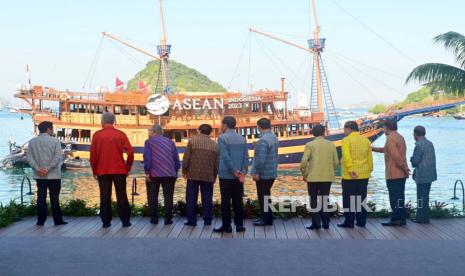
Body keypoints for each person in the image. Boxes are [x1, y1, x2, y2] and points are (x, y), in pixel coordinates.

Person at [90, 112, 134, 228]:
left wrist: (94, 170)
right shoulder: (120, 134)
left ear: (102, 121)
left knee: (104, 196)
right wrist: (127, 168)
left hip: (102, 170)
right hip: (119, 169)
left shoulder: (96, 135)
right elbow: (130, 153)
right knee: (122, 195)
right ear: (113, 121)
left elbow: (93, 155)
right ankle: (125, 221)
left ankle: (106, 222)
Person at [27, 121, 67, 226]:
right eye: (52, 128)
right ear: (48, 129)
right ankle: (58, 220)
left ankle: (40, 221)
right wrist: (48, 169)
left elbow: (29, 158)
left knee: (41, 197)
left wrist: (38, 169)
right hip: (54, 175)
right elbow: (57, 157)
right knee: (54, 198)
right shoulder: (55, 141)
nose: (53, 130)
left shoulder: (32, 142)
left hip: (39, 175)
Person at [300, 124, 339, 230]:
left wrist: (304, 174)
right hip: (327, 177)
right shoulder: (331, 144)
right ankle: (326, 223)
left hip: (312, 177)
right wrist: (331, 170)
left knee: (313, 200)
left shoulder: (310, 144)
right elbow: (336, 163)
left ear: (313, 133)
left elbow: (303, 161)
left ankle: (316, 223)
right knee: (324, 198)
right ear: (324, 132)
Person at [214, 116, 248, 233]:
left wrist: (233, 171)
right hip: (239, 175)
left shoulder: (222, 138)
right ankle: (239, 225)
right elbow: (246, 157)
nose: (220, 126)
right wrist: (242, 172)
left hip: (226, 174)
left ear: (225, 125)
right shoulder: (242, 138)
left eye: (221, 124)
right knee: (238, 200)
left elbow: (225, 157)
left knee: (226, 201)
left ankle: (226, 226)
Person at [373, 119, 409, 226]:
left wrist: (404, 168)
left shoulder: (390, 139)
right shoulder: (400, 137)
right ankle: (402, 219)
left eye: (383, 127)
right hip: (401, 174)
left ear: (387, 127)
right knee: (400, 197)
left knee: (394, 198)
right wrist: (373, 149)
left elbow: (396, 157)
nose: (383, 129)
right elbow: (387, 150)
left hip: (394, 174)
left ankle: (396, 219)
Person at [182, 124, 219, 227]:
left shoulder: (192, 141)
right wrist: (214, 175)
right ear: (210, 132)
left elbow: (186, 158)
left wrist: (184, 170)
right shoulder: (215, 145)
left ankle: (191, 220)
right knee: (207, 198)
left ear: (199, 131)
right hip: (208, 175)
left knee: (191, 198)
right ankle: (207, 220)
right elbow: (217, 163)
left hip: (193, 174)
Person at [338, 121, 373, 228]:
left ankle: (349, 221)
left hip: (349, 176)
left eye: (344, 129)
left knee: (348, 199)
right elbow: (369, 157)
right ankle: (361, 221)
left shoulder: (346, 140)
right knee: (361, 198)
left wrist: (350, 169)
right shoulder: (366, 140)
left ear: (348, 128)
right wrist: (370, 170)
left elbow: (346, 156)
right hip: (364, 174)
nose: (344, 131)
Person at [143, 125, 180, 225]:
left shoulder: (149, 142)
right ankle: (168, 219)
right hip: (169, 173)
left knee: (152, 196)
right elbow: (176, 159)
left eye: (149, 130)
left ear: (154, 132)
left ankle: (154, 219)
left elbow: (148, 159)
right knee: (168, 196)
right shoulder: (170, 142)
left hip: (154, 174)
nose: (148, 132)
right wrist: (175, 172)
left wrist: (147, 172)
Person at [251, 118, 279, 226]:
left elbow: (261, 159)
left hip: (263, 174)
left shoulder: (263, 140)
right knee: (266, 196)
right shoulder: (273, 137)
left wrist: (256, 172)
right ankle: (267, 217)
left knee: (263, 197)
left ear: (259, 126)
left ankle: (266, 220)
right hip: (271, 172)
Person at [410, 125, 437, 224]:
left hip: (422, 175)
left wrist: (411, 159)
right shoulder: (430, 143)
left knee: (421, 197)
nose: (413, 135)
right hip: (430, 174)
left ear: (416, 134)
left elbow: (415, 162)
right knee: (425, 196)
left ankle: (421, 218)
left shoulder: (419, 145)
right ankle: (424, 217)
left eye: (413, 133)